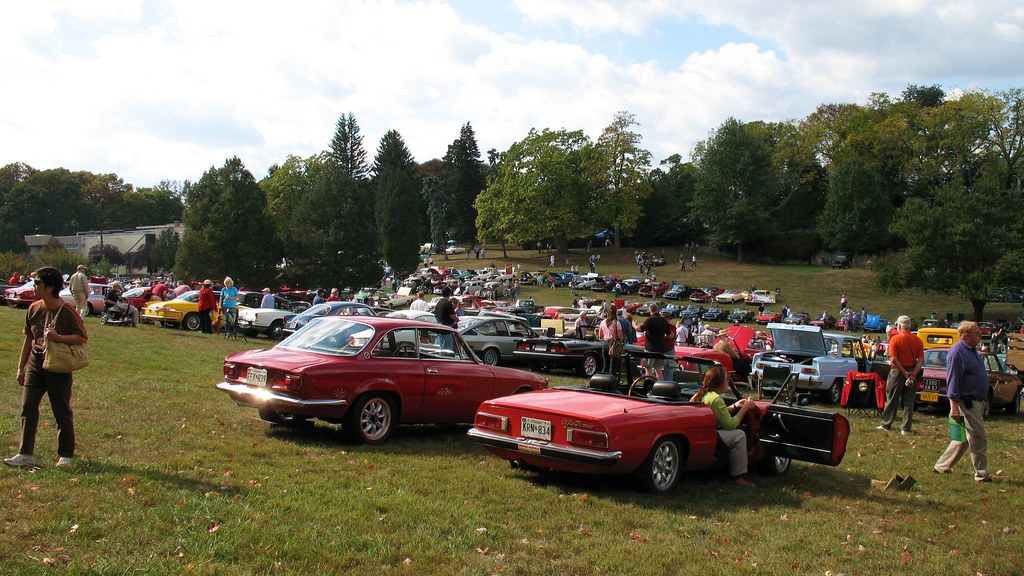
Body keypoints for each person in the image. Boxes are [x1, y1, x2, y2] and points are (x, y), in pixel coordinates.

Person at [4, 267, 88, 469]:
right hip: (35, 363)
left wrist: (58, 338)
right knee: (28, 407)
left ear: (49, 287)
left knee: (61, 410)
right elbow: (28, 338)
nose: (33, 287)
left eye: (37, 283)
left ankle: (66, 455)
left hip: (57, 366)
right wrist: (20, 368)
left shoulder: (67, 311)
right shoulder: (34, 308)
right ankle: (25, 453)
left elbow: (81, 337)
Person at [933, 322, 992, 482]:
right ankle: (981, 474)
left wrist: (983, 399)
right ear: (966, 335)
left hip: (976, 402)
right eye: (977, 333)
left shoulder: (973, 351)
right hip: (967, 403)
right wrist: (954, 408)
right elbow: (952, 382)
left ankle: (941, 466)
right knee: (978, 437)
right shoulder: (957, 353)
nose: (980, 335)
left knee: (963, 439)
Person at [690, 366, 756, 487]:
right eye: (726, 380)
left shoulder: (700, 395)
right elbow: (730, 425)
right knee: (739, 435)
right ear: (720, 383)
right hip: (711, 437)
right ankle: (738, 476)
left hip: (698, 435)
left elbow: (717, 414)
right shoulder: (716, 399)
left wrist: (735, 406)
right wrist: (745, 408)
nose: (728, 382)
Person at [877, 315, 924, 435]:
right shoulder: (918, 340)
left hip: (897, 371)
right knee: (909, 400)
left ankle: (886, 424)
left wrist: (904, 372)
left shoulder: (895, 339)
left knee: (892, 398)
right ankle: (905, 428)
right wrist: (913, 373)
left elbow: (893, 358)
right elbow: (921, 360)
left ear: (899, 326)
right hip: (912, 371)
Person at [636, 303, 671, 380]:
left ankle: (649, 386)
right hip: (660, 348)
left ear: (650, 310)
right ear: (657, 310)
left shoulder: (650, 319)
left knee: (648, 369)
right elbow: (670, 334)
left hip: (650, 348)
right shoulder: (663, 321)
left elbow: (640, 329)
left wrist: (634, 325)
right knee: (658, 369)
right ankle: (660, 386)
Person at [598, 305, 624, 374]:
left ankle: (603, 380)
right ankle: (611, 381)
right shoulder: (617, 323)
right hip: (613, 344)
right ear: (615, 313)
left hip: (605, 344)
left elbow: (600, 335)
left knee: (605, 365)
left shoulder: (603, 322)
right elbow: (620, 336)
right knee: (613, 366)